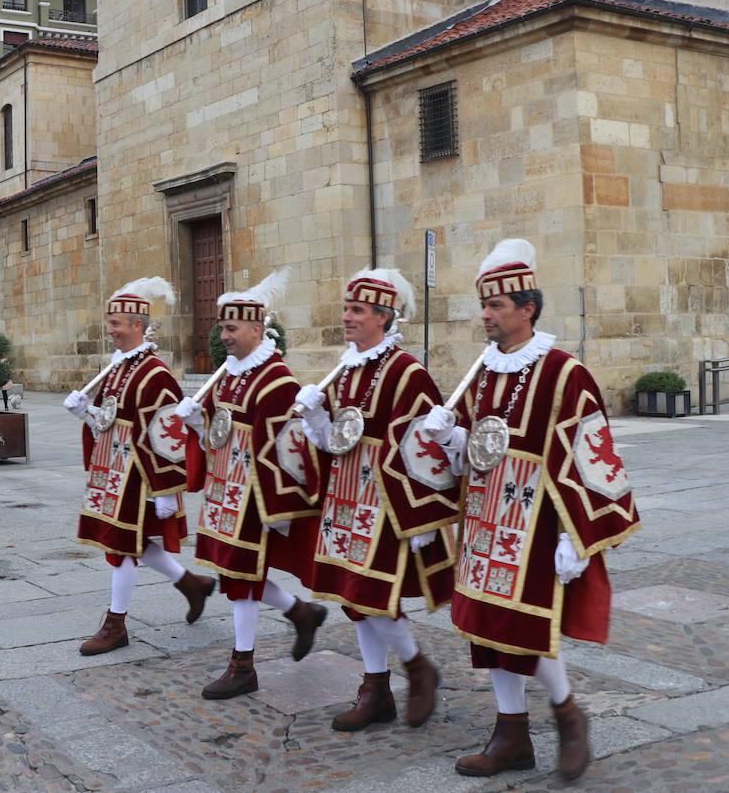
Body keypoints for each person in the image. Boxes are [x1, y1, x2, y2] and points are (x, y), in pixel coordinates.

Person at [420, 239, 641, 781]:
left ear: (528, 309)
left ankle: (568, 715)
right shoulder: (482, 373)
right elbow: (476, 450)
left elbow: (593, 454)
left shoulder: (566, 374)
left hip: (535, 522)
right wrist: (448, 439)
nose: (486, 317)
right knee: (484, 622)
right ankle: (511, 733)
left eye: (496, 307)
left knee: (524, 625)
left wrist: (577, 535)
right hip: (483, 517)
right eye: (484, 306)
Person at [295, 268, 460, 732]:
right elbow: (336, 441)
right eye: (347, 308)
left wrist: (427, 515)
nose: (346, 317)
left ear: (384, 318)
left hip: (386, 503)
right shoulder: (345, 368)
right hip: (345, 495)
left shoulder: (407, 371)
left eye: (357, 310)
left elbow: (422, 443)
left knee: (371, 593)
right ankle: (376, 687)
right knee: (353, 595)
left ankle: (415, 666)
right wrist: (317, 419)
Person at [176, 268, 327, 700]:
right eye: (221, 327)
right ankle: (300, 613)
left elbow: (287, 446)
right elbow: (219, 430)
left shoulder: (276, 380)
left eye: (231, 327)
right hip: (227, 490)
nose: (223, 335)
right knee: (234, 572)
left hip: (255, 496)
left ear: (258, 329)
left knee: (240, 575)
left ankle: (243, 665)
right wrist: (197, 421)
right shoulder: (229, 373)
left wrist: (276, 509)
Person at [62, 277, 216, 655]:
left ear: (137, 325)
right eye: (109, 322)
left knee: (121, 546)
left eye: (116, 323)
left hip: (139, 476)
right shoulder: (117, 368)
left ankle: (116, 624)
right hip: (113, 470)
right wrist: (87, 413)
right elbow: (112, 420)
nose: (109, 330)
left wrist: (167, 490)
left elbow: (168, 434)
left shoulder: (156, 373)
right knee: (133, 543)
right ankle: (191, 584)